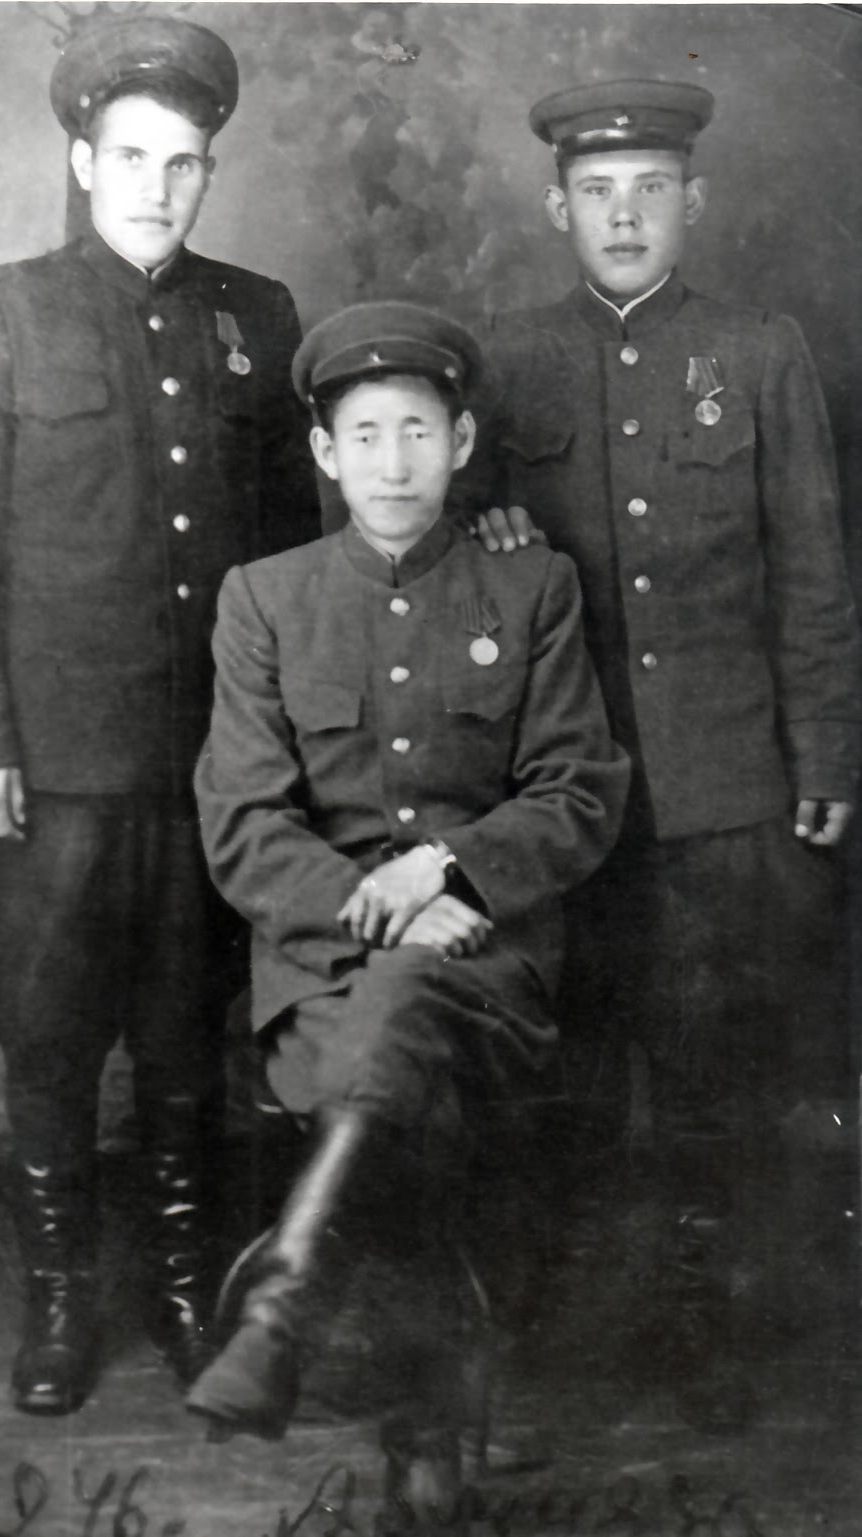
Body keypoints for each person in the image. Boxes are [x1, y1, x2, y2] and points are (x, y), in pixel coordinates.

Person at [0, 16, 321, 1416]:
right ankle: (62, 1306)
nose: (156, 186)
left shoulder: (257, 316)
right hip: (54, 771)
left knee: (187, 1042)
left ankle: (193, 1295)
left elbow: (290, 553)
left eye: (183, 163)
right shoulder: (1, 313)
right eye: (130, 157)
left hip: (206, 764)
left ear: (209, 173)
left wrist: (281, 746)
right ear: (82, 161)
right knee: (51, 1040)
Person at [462, 79, 862, 1428]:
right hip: (565, 793)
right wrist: (487, 535)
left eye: (649, 190)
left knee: (712, 1075)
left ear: (695, 200)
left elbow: (812, 574)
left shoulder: (758, 351)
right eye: (597, 192)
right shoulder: (506, 360)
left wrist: (826, 754)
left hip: (722, 791)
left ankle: (700, 1323)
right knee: (568, 1072)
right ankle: (565, 1333)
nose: (623, 216)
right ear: (554, 206)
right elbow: (454, 560)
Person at [186, 301, 630, 1502]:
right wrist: (378, 909)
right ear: (324, 453)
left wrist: (441, 870)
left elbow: (580, 788)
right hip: (318, 975)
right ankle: (431, 1423)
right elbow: (242, 823)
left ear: (462, 441)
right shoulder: (265, 597)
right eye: (366, 435)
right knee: (400, 1033)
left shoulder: (529, 585)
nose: (394, 463)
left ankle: (284, 1306)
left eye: (419, 432)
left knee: (407, 1017)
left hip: (487, 963)